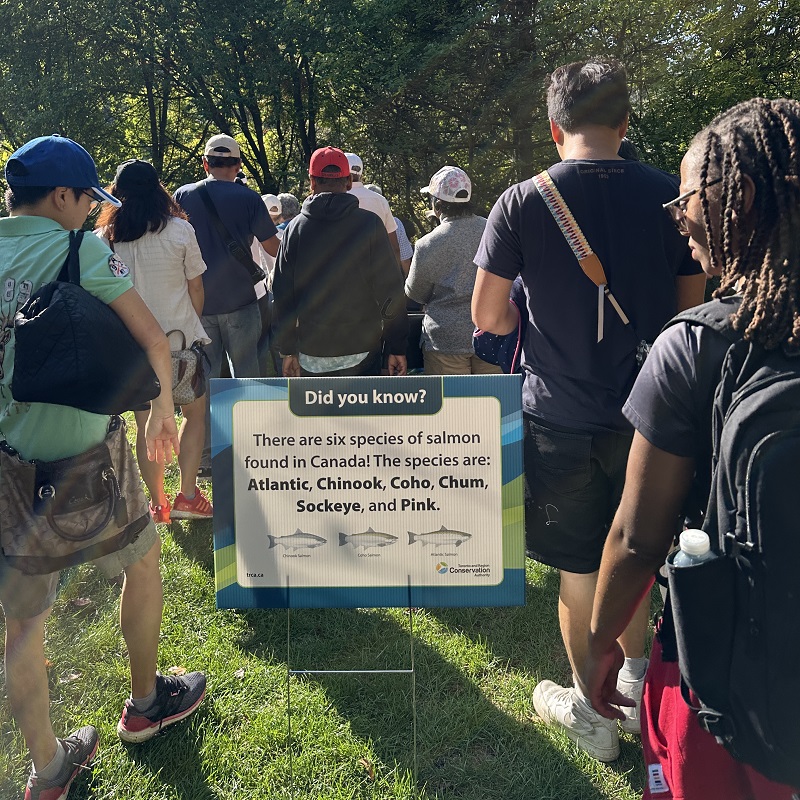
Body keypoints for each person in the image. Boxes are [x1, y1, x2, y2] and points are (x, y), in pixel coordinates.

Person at [471, 59, 706, 761]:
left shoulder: (521, 201)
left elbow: (489, 316)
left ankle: (593, 713)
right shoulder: (672, 194)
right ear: (625, 122)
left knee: (579, 567)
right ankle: (636, 686)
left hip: (559, 415)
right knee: (639, 552)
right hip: (656, 415)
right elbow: (690, 313)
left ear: (554, 127)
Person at [578, 97, 800, 799]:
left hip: (727, 675)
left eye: (686, 198)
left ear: (740, 198)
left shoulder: (699, 342)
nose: (677, 217)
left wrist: (600, 640)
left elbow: (638, 538)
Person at [0, 136, 206, 800]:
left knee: (22, 625)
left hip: (5, 466)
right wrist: (165, 414)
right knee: (141, 563)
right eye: (89, 197)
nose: (93, 210)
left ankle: (48, 770)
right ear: (63, 196)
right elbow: (150, 335)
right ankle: (146, 702)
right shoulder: (78, 249)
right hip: (88, 457)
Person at [96, 158, 213, 521]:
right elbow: (196, 286)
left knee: (146, 421)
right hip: (179, 344)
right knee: (194, 415)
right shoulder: (180, 231)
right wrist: (190, 322)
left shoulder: (104, 240)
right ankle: (188, 497)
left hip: (132, 352)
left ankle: (158, 503)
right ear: (158, 189)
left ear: (115, 193)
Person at [174, 134, 280, 466]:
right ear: (237, 166)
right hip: (242, 303)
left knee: (203, 379)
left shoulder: (182, 196)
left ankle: (206, 456)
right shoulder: (248, 198)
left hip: (199, 305)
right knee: (247, 372)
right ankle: (250, 447)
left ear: (205, 164)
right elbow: (272, 248)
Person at [272, 146, 408, 377]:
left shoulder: (294, 230)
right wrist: (397, 346)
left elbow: (283, 294)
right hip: (363, 350)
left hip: (310, 352)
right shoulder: (370, 225)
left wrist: (288, 350)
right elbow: (390, 291)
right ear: (347, 182)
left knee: (317, 415)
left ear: (312, 182)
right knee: (361, 414)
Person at [405, 166, 499, 376]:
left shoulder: (427, 244)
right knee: (492, 406)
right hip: (491, 334)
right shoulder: (494, 231)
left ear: (437, 204)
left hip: (445, 342)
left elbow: (415, 293)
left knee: (451, 407)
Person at [345, 152, 403, 270]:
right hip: (377, 274)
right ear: (361, 174)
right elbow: (395, 247)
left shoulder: (337, 199)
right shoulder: (380, 200)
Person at [366, 183, 414, 273]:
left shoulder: (356, 221)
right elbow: (405, 259)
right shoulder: (395, 222)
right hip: (389, 276)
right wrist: (408, 282)